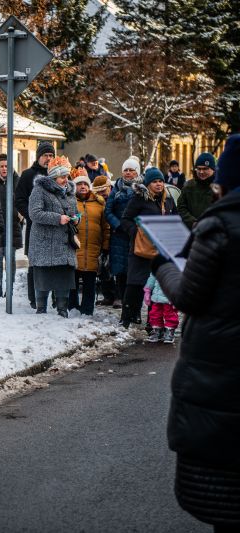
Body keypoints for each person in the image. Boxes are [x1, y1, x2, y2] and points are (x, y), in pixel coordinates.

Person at [151, 133, 240, 532]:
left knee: (226, 494)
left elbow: (189, 295)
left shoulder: (219, 226)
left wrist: (164, 264)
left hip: (221, 370)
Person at [119, 167, 177, 328]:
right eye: (154, 182)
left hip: (160, 250)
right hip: (140, 249)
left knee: (155, 286)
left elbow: (175, 219)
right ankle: (126, 318)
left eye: (160, 181)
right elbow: (126, 219)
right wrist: (136, 233)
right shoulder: (139, 199)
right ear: (148, 184)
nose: (158, 184)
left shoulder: (168, 200)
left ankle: (152, 322)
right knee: (135, 283)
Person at [28, 155, 78, 317]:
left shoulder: (70, 192)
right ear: (54, 176)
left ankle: (62, 308)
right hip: (45, 242)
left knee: (64, 275)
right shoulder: (40, 190)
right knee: (44, 275)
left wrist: (76, 219)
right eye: (63, 176)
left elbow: (74, 212)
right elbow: (34, 213)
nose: (66, 179)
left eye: (67, 176)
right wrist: (58, 219)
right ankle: (41, 307)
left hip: (64, 243)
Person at [16, 141, 55, 308]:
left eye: (51, 155)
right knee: (35, 263)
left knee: (54, 263)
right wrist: (32, 216)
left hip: (55, 226)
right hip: (35, 226)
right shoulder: (27, 175)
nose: (48, 158)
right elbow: (19, 200)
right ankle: (34, 299)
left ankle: (54, 298)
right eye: (45, 155)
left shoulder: (57, 175)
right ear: (39, 156)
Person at [70, 171, 109, 316]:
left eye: (85, 184)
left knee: (89, 283)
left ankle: (87, 310)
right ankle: (72, 307)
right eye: (79, 184)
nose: (82, 187)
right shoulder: (70, 202)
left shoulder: (99, 204)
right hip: (74, 249)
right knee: (72, 282)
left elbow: (105, 228)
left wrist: (105, 247)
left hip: (93, 250)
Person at [105, 158, 141, 311]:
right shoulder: (116, 189)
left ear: (137, 172)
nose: (128, 173)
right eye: (125, 170)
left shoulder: (142, 189)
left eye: (131, 170)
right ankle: (120, 297)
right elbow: (108, 211)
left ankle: (132, 299)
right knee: (119, 269)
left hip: (136, 234)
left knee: (133, 268)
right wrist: (118, 225)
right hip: (119, 234)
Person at [0, 153, 23, 297]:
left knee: (10, 258)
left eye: (7, 166)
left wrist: (19, 214)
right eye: (2, 166)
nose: (4, 169)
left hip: (12, 226)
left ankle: (9, 287)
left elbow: (23, 200)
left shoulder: (18, 182)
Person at [91, 175, 116, 305]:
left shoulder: (116, 197)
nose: (102, 194)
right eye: (98, 191)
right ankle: (108, 295)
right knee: (103, 268)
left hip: (116, 237)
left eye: (104, 190)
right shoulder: (95, 202)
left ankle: (117, 296)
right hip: (100, 239)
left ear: (109, 188)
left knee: (115, 268)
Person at [177, 152, 216, 229]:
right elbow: (181, 207)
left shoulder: (220, 187)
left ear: (213, 170)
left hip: (213, 232)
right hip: (192, 232)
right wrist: (193, 223)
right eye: (199, 169)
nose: (201, 172)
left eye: (205, 169)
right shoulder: (188, 186)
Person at [143, 274, 178, 343]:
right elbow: (152, 279)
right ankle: (157, 330)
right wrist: (148, 290)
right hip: (157, 297)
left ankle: (169, 331)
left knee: (170, 315)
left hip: (170, 297)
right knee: (155, 314)